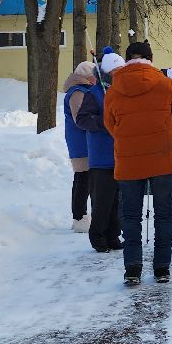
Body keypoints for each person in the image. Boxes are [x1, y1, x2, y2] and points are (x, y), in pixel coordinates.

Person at [104, 40, 172, 286]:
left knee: (131, 216)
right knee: (164, 215)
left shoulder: (114, 89)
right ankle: (162, 268)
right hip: (164, 159)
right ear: (150, 59)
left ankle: (132, 268)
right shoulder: (165, 84)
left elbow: (110, 124)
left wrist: (127, 139)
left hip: (129, 161)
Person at [75, 47, 124, 253]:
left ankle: (113, 234)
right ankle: (98, 236)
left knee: (116, 201)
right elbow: (82, 119)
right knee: (102, 200)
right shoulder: (95, 93)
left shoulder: (122, 91)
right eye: (116, 71)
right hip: (101, 155)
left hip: (120, 154)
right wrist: (105, 122)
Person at [61, 61, 97, 231]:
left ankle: (80, 216)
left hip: (83, 140)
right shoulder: (78, 92)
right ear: (87, 77)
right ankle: (79, 217)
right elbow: (80, 119)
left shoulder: (81, 90)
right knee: (83, 179)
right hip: (81, 141)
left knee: (83, 178)